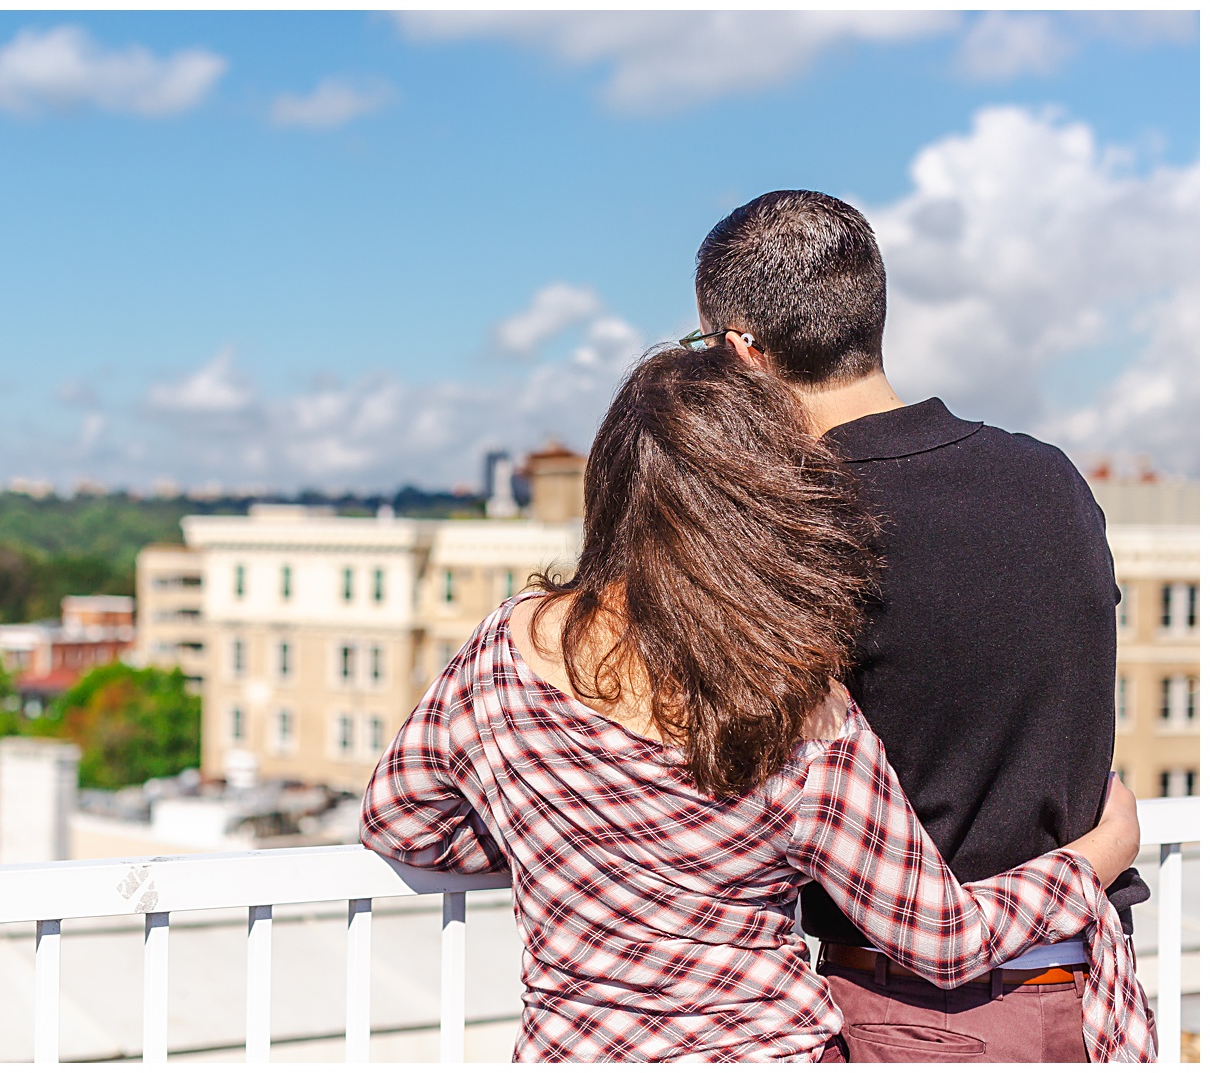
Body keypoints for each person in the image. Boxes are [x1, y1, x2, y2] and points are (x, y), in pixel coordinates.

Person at [360, 348, 1153, 1062]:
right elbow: (944, 937)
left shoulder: (509, 646)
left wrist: (564, 840)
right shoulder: (798, 708)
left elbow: (400, 820)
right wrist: (1098, 855)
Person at [687, 190, 1147, 1062]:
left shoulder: (797, 522)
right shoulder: (1050, 478)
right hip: (1089, 996)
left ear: (742, 351)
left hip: (915, 1005)